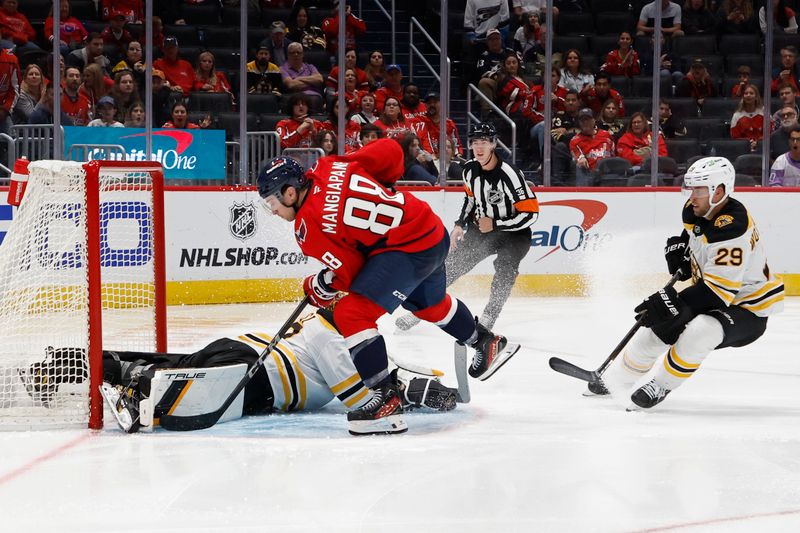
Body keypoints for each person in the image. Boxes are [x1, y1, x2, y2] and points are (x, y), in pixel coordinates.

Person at [258, 141, 520, 435]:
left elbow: (352, 272)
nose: (274, 211)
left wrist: (321, 285)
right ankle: (484, 341)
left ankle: (385, 402)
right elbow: (392, 153)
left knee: (351, 314)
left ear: (290, 192)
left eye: (272, 203)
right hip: (430, 230)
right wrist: (384, 192)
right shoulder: (330, 166)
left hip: (407, 249)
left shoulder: (308, 228)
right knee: (428, 303)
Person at [35, 310, 460, 433]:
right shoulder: (329, 334)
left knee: (160, 361)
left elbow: (375, 373)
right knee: (166, 385)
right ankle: (131, 389)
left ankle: (66, 361)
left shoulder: (330, 329)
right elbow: (360, 400)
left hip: (242, 352)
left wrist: (417, 388)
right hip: (256, 376)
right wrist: (401, 395)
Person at [587, 157, 784, 409]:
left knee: (701, 330)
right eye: (690, 189)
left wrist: (671, 302)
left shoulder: (732, 227)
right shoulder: (697, 210)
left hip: (748, 308)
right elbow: (695, 235)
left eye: (699, 190)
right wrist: (683, 255)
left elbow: (717, 293)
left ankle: (661, 385)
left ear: (719, 191)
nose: (692, 196)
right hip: (714, 292)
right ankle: (617, 379)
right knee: (660, 327)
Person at [396, 122, 539, 330]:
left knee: (506, 270)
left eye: (483, 142)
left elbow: (531, 213)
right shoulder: (470, 170)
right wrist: (459, 224)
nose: (479, 147)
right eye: (475, 143)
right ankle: (421, 312)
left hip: (515, 234)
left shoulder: (510, 174)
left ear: (493, 145)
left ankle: (489, 317)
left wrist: (497, 223)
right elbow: (470, 200)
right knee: (449, 268)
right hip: (483, 230)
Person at [570, 108, 616, 185]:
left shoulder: (606, 135)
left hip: (609, 174)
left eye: (587, 119)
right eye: (582, 120)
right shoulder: (575, 141)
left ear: (594, 120)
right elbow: (578, 159)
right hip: (590, 175)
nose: (585, 122)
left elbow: (614, 154)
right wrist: (581, 159)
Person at [418, 92, 464, 158]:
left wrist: (458, 155)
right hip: (427, 159)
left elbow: (456, 144)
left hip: (446, 159)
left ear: (441, 104)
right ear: (425, 105)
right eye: (429, 103)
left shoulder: (449, 123)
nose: (432, 105)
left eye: (435, 102)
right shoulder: (420, 121)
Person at [280, 42, 325, 110]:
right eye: (293, 52)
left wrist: (298, 78)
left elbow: (319, 79)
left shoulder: (310, 67)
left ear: (302, 54)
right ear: (288, 55)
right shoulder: (282, 69)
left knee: (314, 99)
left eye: (298, 52)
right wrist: (311, 82)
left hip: (314, 96)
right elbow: (291, 84)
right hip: (296, 97)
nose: (296, 54)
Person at [729, 84, 765, 151]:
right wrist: (748, 143)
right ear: (743, 96)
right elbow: (735, 137)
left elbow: (770, 134)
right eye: (746, 93)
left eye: (751, 93)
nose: (748, 95)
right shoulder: (737, 115)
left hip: (762, 148)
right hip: (742, 149)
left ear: (756, 96)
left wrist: (758, 142)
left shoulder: (764, 113)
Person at [0, 45, 18, 135]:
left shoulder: (11, 60)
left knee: (12, 138)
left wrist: (6, 109)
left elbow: (15, 88)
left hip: (2, 110)